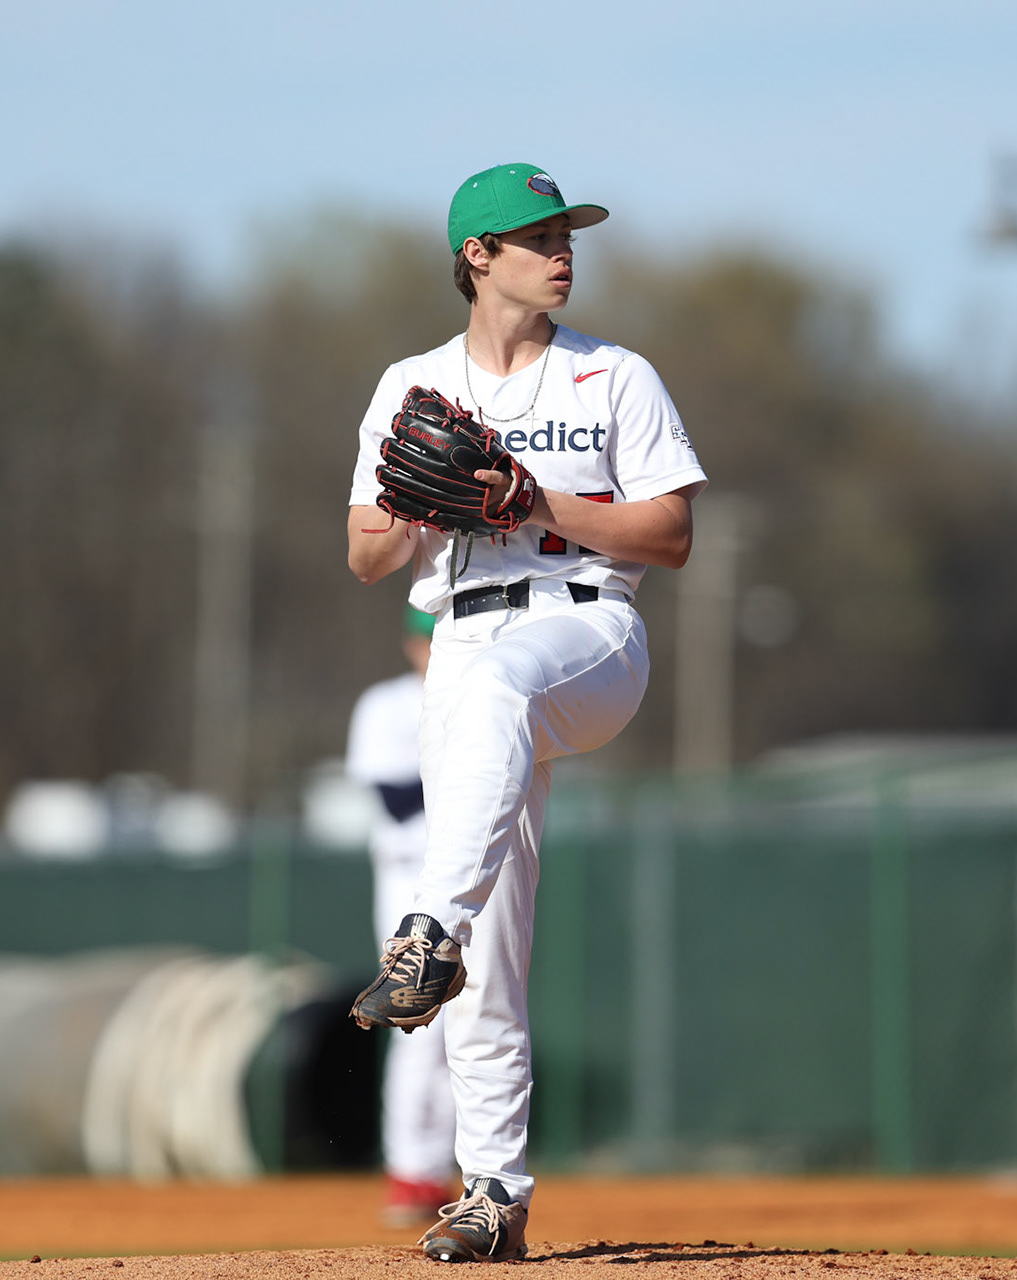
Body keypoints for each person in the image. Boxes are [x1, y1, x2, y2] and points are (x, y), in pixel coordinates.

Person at [343, 163, 707, 1263]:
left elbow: (671, 535)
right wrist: (412, 504)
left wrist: (530, 499)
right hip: (458, 634)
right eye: (538, 234)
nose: (564, 249)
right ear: (476, 257)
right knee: (493, 946)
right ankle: (493, 1191)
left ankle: (425, 930)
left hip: (586, 630)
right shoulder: (415, 383)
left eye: (568, 232)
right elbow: (365, 554)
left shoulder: (613, 377)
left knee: (505, 694)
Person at [344, 605, 456, 1227]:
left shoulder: (481, 693)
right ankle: (410, 1169)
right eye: (427, 640)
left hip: (469, 879)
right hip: (408, 881)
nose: (433, 649)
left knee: (472, 1020)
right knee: (419, 1022)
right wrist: (467, 766)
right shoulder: (386, 704)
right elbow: (392, 795)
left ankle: (444, 1168)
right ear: (412, 645)